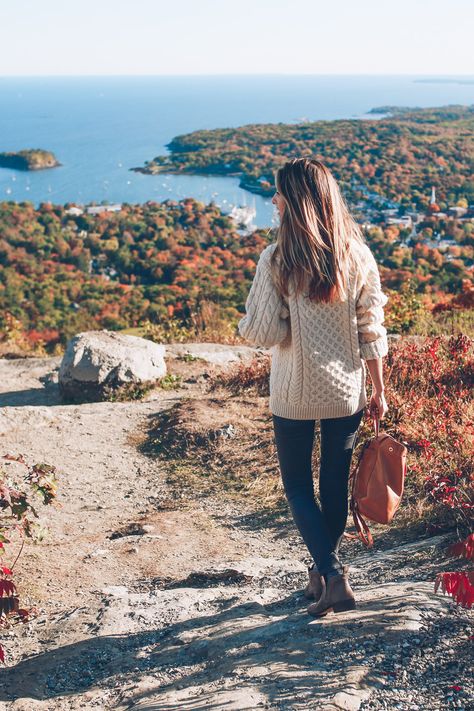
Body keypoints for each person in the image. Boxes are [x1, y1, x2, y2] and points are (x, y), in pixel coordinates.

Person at [237, 158, 389, 618]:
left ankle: (333, 575)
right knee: (333, 487)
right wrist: (378, 388)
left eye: (278, 192)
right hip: (346, 390)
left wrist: (249, 322)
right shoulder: (357, 254)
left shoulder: (277, 258)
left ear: (296, 200)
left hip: (295, 391)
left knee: (299, 488)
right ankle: (322, 574)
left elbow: (262, 332)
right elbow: (373, 329)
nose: (273, 200)